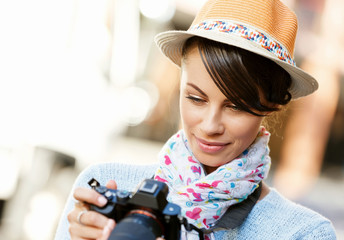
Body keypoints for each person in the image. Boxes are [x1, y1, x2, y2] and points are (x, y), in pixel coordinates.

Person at [54, 0, 337, 239]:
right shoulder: (103, 184)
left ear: (271, 106)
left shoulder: (303, 233)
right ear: (180, 87)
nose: (210, 125)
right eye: (196, 99)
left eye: (236, 106)